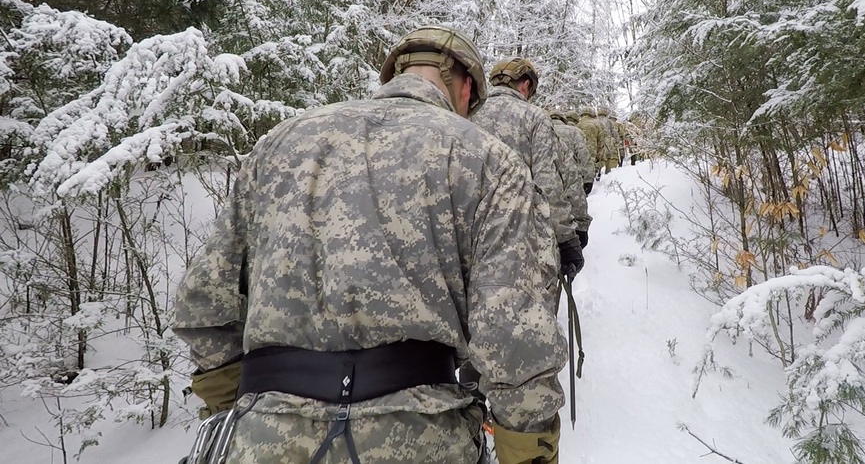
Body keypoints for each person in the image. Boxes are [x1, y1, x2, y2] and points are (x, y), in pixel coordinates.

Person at [172, 25, 567, 464]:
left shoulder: (279, 144)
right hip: (420, 437)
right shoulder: (488, 158)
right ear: (467, 87)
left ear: (394, 74)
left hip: (265, 434)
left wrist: (234, 410)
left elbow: (205, 300)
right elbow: (514, 334)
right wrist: (530, 454)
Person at [470, 57, 584, 289]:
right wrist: (566, 237)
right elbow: (547, 183)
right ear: (525, 84)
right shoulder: (534, 116)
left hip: (471, 233)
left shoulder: (468, 114)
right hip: (522, 235)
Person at [549, 110, 592, 247]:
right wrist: (588, 178)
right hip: (571, 178)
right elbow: (584, 155)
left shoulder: (540, 129)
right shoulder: (574, 131)